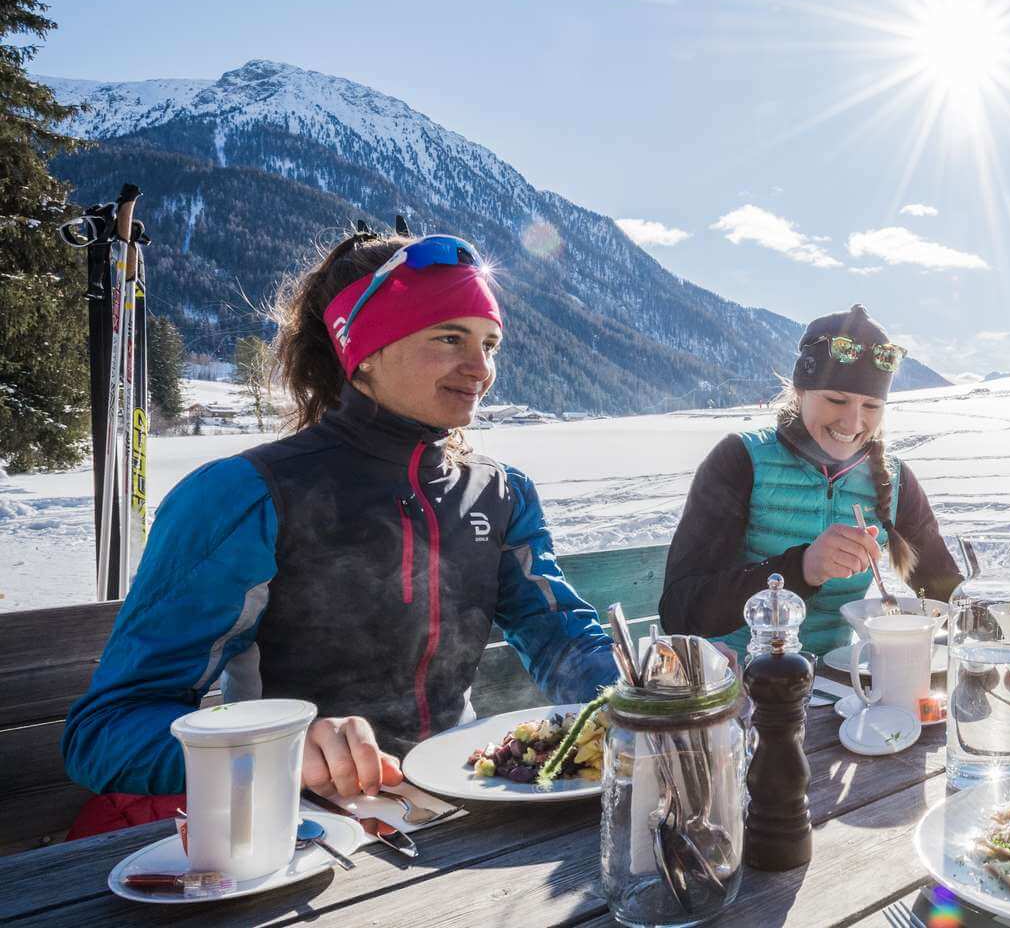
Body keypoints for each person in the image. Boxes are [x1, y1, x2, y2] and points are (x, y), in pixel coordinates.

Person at [63, 230, 618, 821]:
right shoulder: (246, 497)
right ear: (364, 349)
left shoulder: (498, 492)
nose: (479, 368)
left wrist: (633, 696)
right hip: (299, 829)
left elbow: (558, 636)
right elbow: (107, 728)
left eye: (490, 343)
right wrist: (275, 746)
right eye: (449, 338)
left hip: (465, 803)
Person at [660, 304, 961, 655]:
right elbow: (681, 611)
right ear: (800, 392)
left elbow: (942, 589)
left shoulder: (895, 480)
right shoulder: (741, 460)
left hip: (839, 686)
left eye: (871, 407)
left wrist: (993, 611)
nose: (852, 423)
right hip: (745, 683)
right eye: (836, 400)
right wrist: (802, 569)